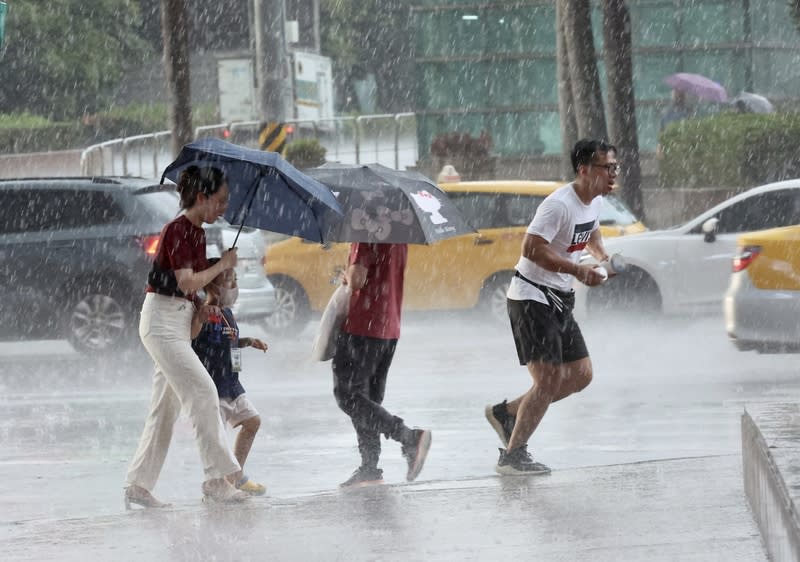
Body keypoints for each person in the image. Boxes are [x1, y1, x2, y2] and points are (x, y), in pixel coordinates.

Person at [485, 139, 615, 475]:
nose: (613, 174)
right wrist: (577, 270)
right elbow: (531, 249)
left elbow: (592, 230)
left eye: (615, 167)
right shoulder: (558, 205)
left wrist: (601, 257)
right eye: (607, 167)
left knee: (581, 375)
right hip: (531, 297)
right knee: (548, 379)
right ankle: (513, 456)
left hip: (559, 299)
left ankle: (508, 412)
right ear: (584, 170)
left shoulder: (594, 200)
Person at [124, 165, 248, 508]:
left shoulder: (198, 234)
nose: (223, 208)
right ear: (201, 197)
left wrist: (207, 303)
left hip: (178, 323)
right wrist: (222, 265)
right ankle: (216, 480)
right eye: (220, 201)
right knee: (204, 390)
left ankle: (137, 485)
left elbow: (195, 290)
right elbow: (186, 282)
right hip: (160, 322)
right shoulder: (176, 230)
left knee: (165, 409)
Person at [332, 242, 432, 488]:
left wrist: (344, 275)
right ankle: (370, 467)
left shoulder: (365, 228)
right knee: (367, 400)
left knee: (349, 396)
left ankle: (408, 437)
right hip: (388, 325)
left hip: (362, 325)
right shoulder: (396, 227)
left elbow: (357, 279)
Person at [191, 258, 269, 496]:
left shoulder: (227, 313)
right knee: (216, 438)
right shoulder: (207, 312)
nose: (234, 285)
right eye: (229, 280)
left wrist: (247, 341)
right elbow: (195, 340)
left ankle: (234, 475)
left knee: (252, 421)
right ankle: (215, 482)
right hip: (215, 385)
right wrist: (203, 315)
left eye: (235, 280)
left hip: (233, 384)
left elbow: (229, 341)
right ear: (213, 286)